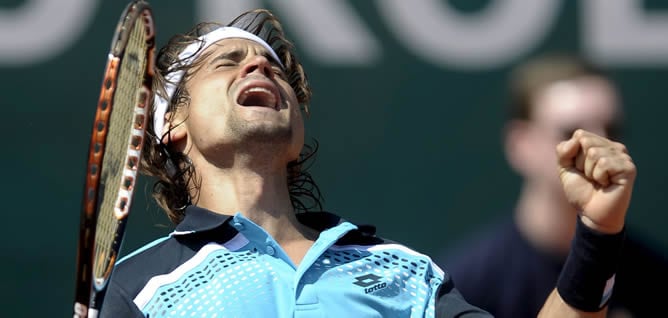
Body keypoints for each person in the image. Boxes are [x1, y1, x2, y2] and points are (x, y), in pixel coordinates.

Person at [99, 9, 637, 318]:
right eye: (228, 62)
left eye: (273, 66)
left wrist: (598, 230)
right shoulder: (138, 290)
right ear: (173, 124)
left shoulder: (407, 272)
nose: (259, 64)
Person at [436, 54, 667, 318]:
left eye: (611, 129)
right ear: (520, 145)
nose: (598, 146)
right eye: (571, 131)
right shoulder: (463, 288)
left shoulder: (656, 278)